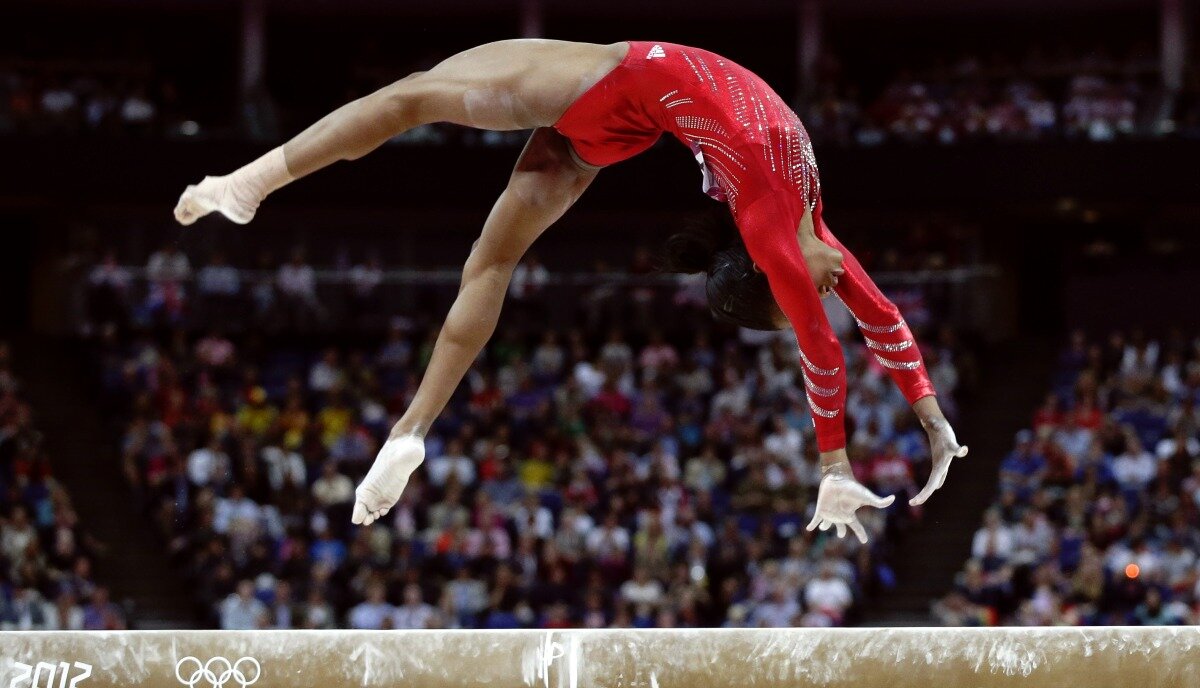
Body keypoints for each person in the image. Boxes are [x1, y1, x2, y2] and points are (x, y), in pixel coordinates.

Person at [174, 40, 966, 542]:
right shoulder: (813, 232)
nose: (826, 295)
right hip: (622, 126)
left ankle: (249, 183)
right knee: (490, 262)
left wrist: (836, 462)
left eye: (800, 296)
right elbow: (881, 319)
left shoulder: (773, 229)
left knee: (408, 97)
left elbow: (826, 347)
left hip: (614, 83)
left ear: (767, 272)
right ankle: (409, 432)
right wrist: (931, 420)